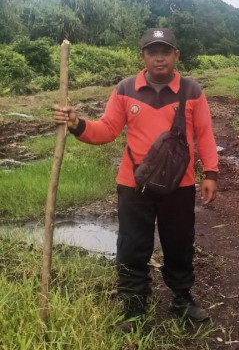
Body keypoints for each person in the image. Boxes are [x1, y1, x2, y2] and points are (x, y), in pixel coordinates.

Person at [53, 28, 219, 331]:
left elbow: (205, 134)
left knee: (179, 243)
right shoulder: (125, 89)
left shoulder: (192, 91)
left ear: (176, 55)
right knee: (132, 245)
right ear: (142, 56)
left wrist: (210, 172)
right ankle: (134, 309)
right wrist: (78, 125)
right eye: (153, 52)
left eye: (165, 51)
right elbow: (107, 130)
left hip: (179, 185)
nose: (159, 58)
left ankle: (182, 301)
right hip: (133, 185)